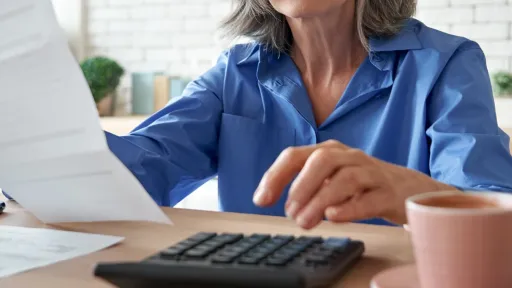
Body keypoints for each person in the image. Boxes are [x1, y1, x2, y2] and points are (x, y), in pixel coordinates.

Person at [8, 0, 512, 228]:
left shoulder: (445, 63)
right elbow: (136, 171)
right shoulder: (235, 73)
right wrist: (24, 135)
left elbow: (494, 208)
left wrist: (408, 192)